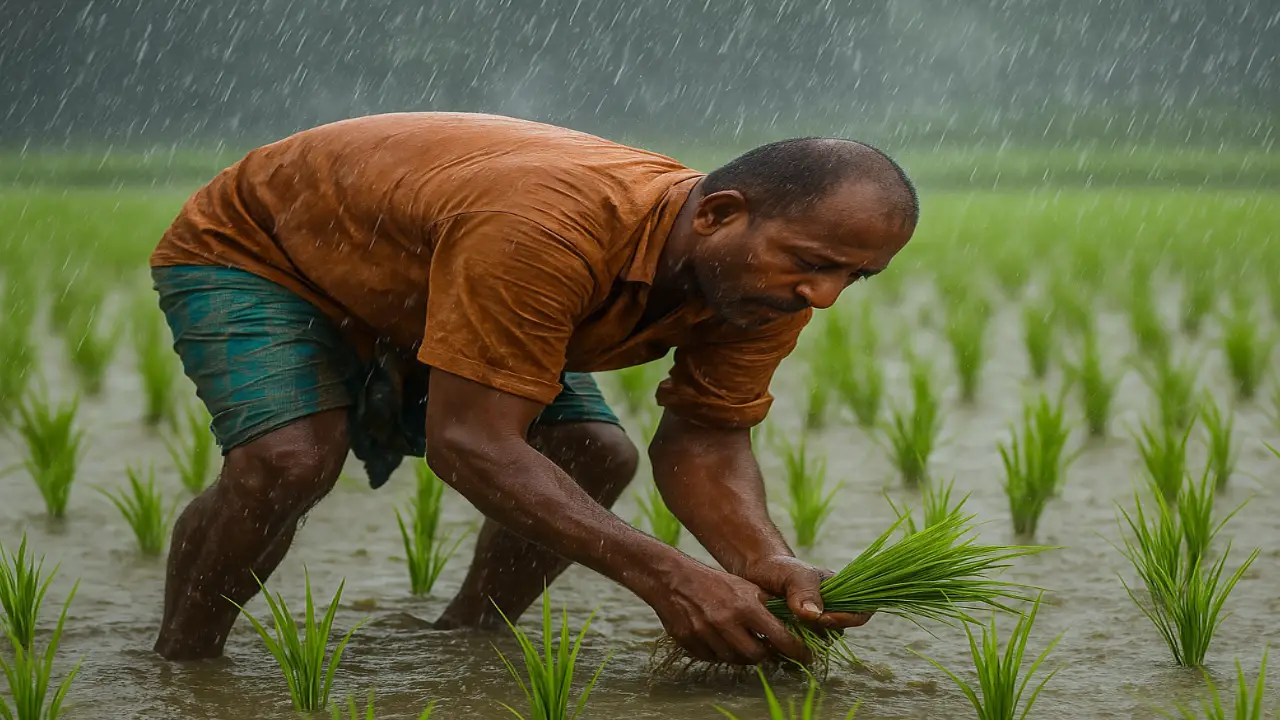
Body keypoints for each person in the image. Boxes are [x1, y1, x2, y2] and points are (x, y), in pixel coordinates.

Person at [148, 111, 918, 666]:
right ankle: (184, 666)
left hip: (433, 274)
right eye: (812, 263)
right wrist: (669, 577)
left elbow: (708, 437)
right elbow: (468, 442)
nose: (824, 296)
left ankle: (468, 644)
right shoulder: (549, 228)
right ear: (719, 214)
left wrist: (762, 561)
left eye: (854, 276)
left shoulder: (763, 289)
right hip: (266, 248)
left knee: (592, 450)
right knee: (289, 458)